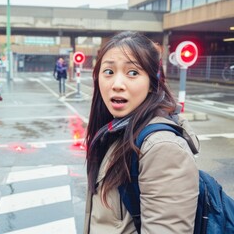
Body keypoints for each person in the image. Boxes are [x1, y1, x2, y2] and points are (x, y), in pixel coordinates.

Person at [84, 31, 199, 233]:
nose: (117, 85)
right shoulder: (115, 130)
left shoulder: (162, 148)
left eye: (133, 73)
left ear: (151, 82)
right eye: (109, 71)